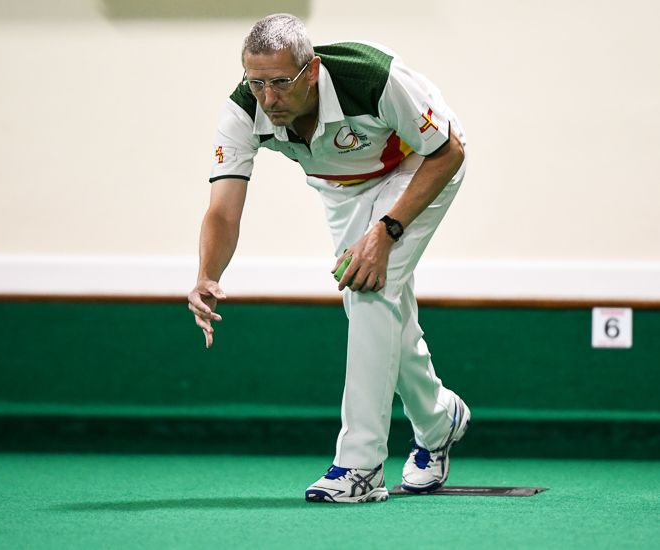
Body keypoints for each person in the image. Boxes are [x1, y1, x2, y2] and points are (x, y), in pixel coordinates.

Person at [187, 13, 470, 503]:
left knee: (368, 288)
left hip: (420, 165)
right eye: (257, 83)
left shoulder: (371, 78)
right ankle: (438, 417)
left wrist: (387, 230)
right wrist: (207, 275)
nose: (268, 98)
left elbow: (448, 152)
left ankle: (360, 467)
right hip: (340, 188)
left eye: (279, 82)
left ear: (311, 70)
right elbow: (223, 210)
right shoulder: (242, 111)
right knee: (373, 308)